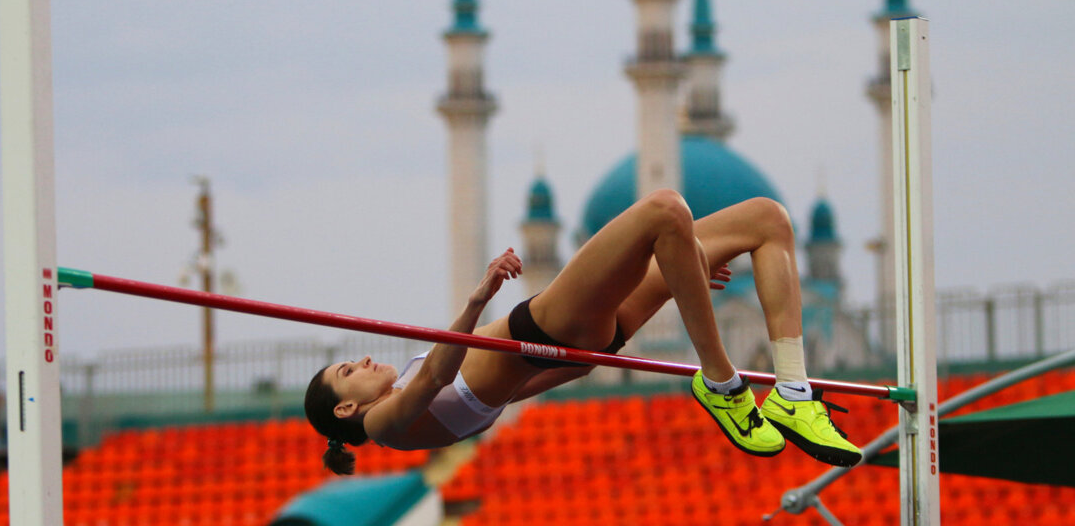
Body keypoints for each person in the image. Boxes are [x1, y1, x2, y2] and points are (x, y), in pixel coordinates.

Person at [304, 191, 861, 475]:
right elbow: (436, 374)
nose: (362, 361)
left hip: (580, 333)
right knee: (665, 209)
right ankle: (721, 383)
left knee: (767, 219)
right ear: (346, 411)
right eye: (347, 372)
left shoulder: (422, 409)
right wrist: (478, 301)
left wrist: (679, 272)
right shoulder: (387, 426)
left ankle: (792, 392)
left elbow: (527, 382)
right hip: (552, 322)